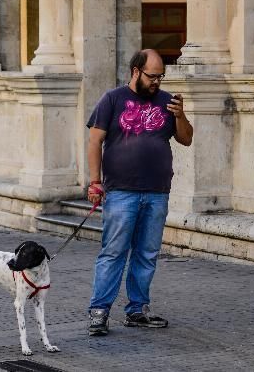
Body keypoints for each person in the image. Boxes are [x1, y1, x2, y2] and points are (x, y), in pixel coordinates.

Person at [85, 49, 193, 336]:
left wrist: (180, 116)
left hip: (157, 191)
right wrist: (95, 182)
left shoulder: (167, 102)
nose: (157, 81)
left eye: (160, 76)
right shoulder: (112, 99)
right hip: (121, 191)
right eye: (152, 76)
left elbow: (186, 139)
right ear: (135, 71)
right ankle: (99, 311)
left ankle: (137, 310)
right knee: (114, 252)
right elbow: (95, 141)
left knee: (146, 253)